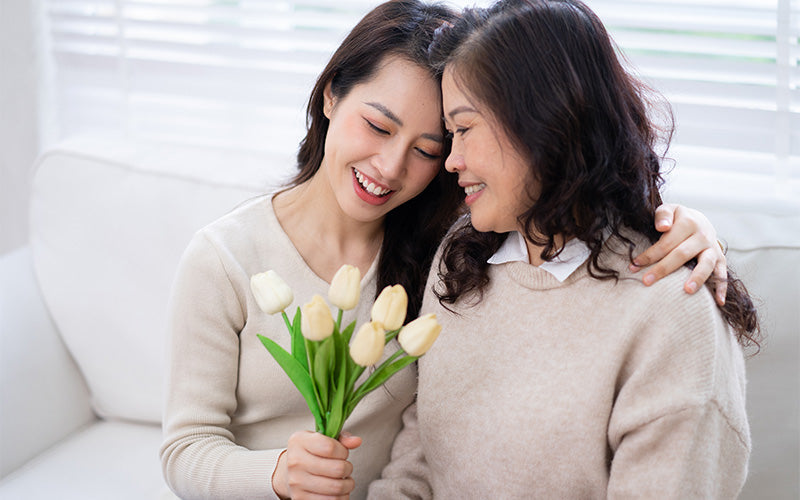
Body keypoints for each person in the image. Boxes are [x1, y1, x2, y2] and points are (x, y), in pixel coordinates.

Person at [159, 1, 730, 499]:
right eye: (378, 127)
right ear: (332, 94)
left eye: (435, 145)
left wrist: (683, 226)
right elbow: (187, 446)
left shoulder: (452, 241)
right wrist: (279, 474)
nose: (390, 167)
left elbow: (573, 189)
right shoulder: (226, 259)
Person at [368, 0, 761, 498]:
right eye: (450, 135)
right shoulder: (462, 257)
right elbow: (419, 459)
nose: (453, 159)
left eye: (464, 128)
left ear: (543, 122)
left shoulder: (671, 310)